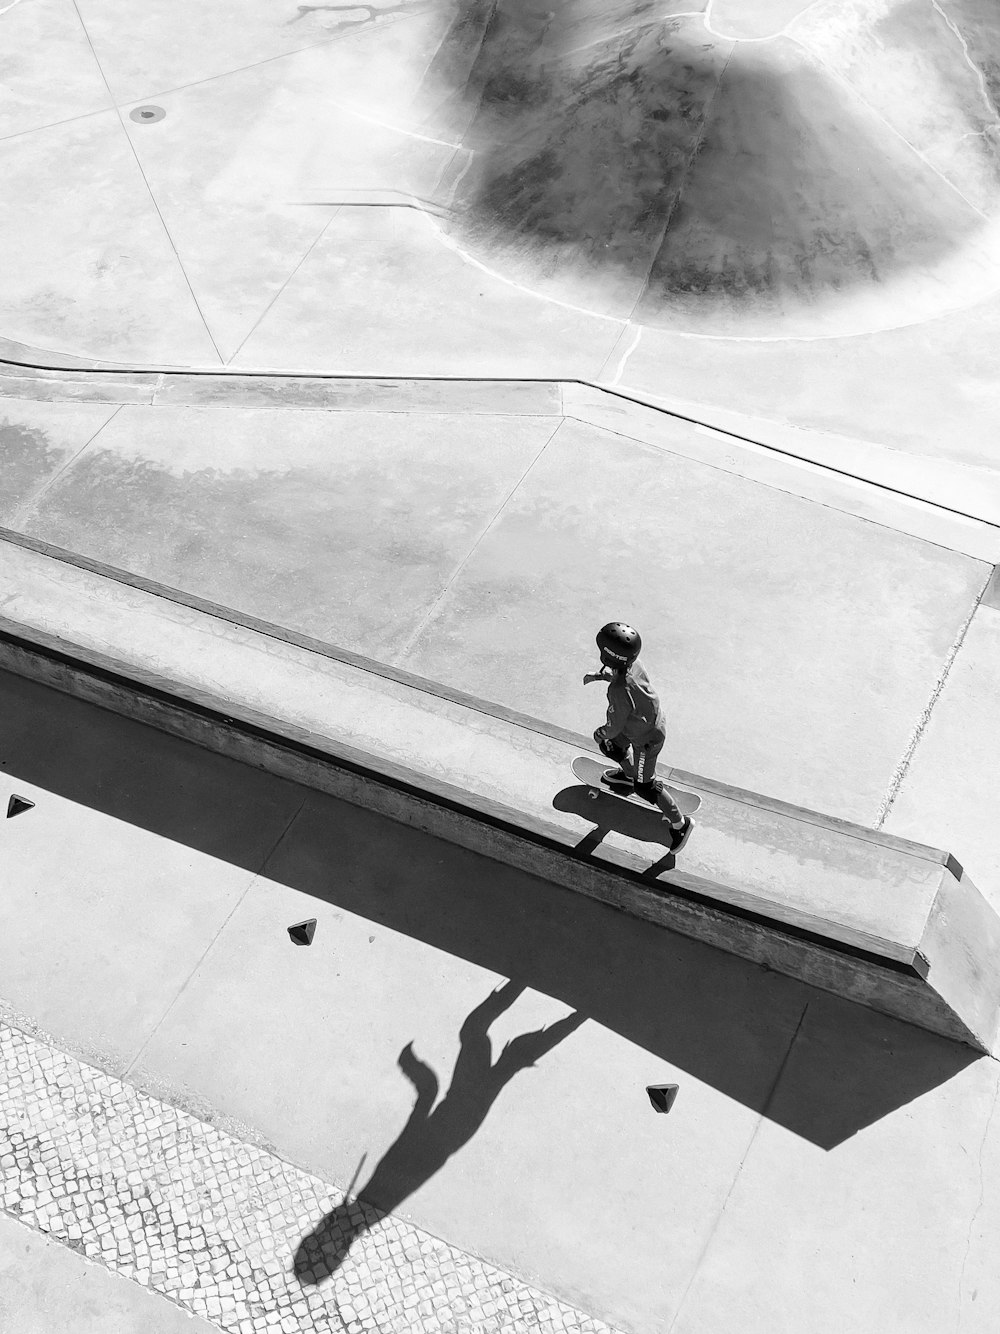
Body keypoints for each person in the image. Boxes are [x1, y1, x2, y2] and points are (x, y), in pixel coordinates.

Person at [583, 621, 693, 854]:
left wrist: (599, 734)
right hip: (642, 722)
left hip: (646, 740)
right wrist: (598, 677)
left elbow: (613, 726)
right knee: (612, 747)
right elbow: (625, 679)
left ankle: (680, 824)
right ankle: (627, 775)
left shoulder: (618, 691)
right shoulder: (634, 664)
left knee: (645, 786)